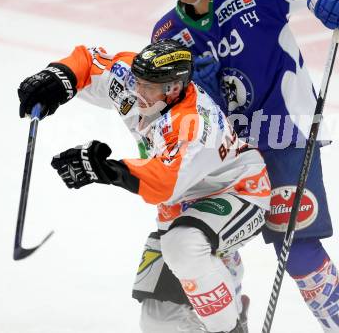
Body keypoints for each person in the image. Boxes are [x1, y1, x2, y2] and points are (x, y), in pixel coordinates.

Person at [151, 0, 339, 333]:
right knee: (209, 245)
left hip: (286, 135)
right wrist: (198, 94)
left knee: (298, 251)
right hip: (225, 154)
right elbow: (165, 105)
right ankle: (233, 323)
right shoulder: (167, 33)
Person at [17, 39, 272, 333]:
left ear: (173, 88)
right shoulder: (139, 80)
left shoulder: (194, 124)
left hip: (237, 191)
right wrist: (57, 78)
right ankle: (227, 290)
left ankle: (231, 326)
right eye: (137, 82)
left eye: (147, 87)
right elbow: (89, 61)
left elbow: (163, 183)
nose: (136, 91)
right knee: (158, 323)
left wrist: (106, 169)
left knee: (183, 245)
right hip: (180, 206)